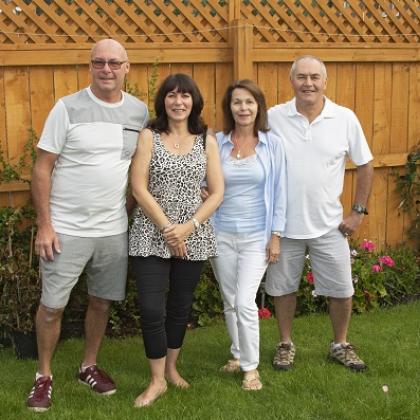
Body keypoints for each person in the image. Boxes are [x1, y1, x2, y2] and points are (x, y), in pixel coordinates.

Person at [26, 39, 148, 412]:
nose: (106, 69)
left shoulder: (139, 113)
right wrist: (45, 225)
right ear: (90, 66)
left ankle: (88, 366)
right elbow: (42, 167)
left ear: (127, 67)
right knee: (52, 306)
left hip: (112, 230)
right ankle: (43, 376)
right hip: (66, 229)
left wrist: (126, 213)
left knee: (101, 301)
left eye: (114, 63)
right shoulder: (67, 108)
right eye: (99, 63)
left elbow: (138, 170)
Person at [266, 55, 374, 372]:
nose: (308, 83)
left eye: (315, 77)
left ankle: (340, 344)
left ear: (325, 82)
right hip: (284, 226)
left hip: (330, 226)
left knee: (341, 290)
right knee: (283, 289)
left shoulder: (344, 118)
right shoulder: (274, 117)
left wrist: (357, 212)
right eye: (302, 77)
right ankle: (285, 344)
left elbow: (366, 165)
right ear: (292, 81)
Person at [129, 73, 224, 407]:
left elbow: (217, 192)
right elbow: (138, 187)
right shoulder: (149, 136)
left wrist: (189, 226)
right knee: (152, 307)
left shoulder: (206, 139)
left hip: (193, 237)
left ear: (194, 100)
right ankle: (155, 381)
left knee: (180, 307)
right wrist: (170, 229)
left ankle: (171, 370)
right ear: (163, 101)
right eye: (172, 95)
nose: (178, 101)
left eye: (185, 95)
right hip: (149, 235)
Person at [209, 80, 287, 391]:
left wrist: (276, 235)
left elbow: (281, 191)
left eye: (249, 102)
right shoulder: (216, 142)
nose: (243, 108)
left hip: (257, 236)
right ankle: (238, 354)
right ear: (230, 108)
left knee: (244, 301)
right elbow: (206, 182)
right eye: (237, 102)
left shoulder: (273, 144)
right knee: (230, 300)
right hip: (221, 234)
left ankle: (251, 370)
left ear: (258, 107)